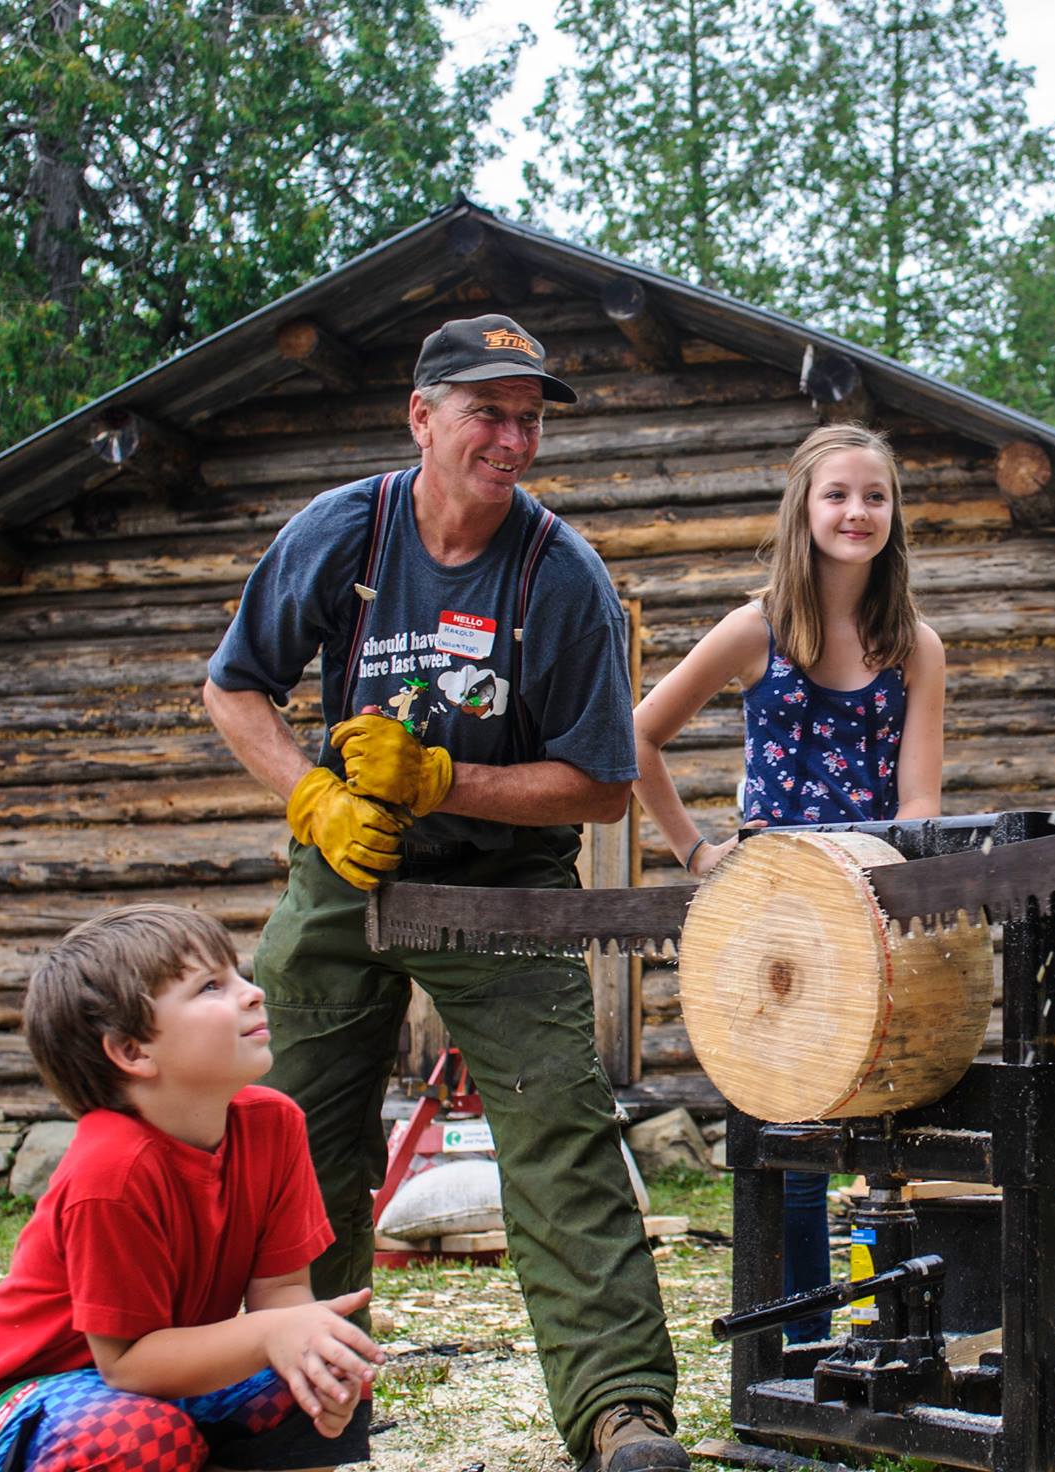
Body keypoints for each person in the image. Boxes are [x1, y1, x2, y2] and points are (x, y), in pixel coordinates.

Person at [201, 314, 687, 1472]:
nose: (512, 437)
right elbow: (234, 691)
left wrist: (443, 778)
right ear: (420, 417)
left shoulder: (561, 574)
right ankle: (298, 1415)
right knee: (292, 1137)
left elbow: (605, 789)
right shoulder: (345, 531)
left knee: (558, 1135)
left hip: (501, 886)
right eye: (488, 411)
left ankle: (619, 1412)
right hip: (346, 871)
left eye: (528, 417)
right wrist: (313, 798)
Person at [632, 422, 946, 1339]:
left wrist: (908, 900)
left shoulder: (915, 646)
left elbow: (919, 800)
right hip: (771, 915)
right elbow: (638, 736)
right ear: (803, 509)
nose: (857, 512)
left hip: (875, 906)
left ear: (894, 513)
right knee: (794, 1145)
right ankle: (801, 1346)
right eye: (838, 495)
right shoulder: (755, 628)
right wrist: (696, 852)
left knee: (888, 1132)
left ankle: (894, 1339)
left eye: (875, 496)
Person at [0, 903, 383, 1472]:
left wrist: (303, 1340)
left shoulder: (275, 1124)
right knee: (138, 1436)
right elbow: (127, 1366)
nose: (252, 992)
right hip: (28, 1399)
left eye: (237, 973)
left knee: (318, 1368)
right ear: (133, 1052)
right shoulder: (110, 1168)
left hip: (156, 1379)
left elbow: (282, 1293)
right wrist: (275, 1332)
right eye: (210, 986)